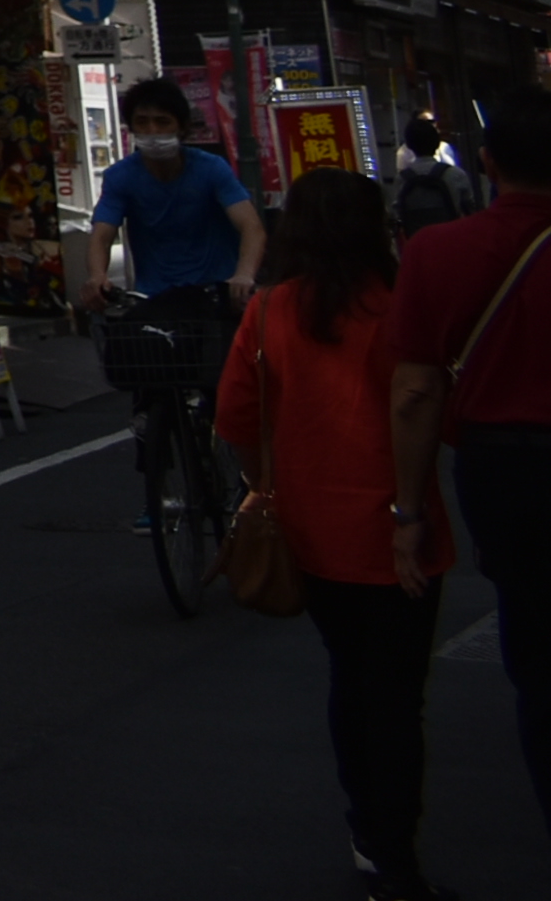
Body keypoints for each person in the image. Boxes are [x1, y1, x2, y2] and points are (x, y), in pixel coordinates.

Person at [221, 168, 453, 901]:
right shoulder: (399, 304)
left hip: (311, 528)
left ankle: (367, 830)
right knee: (397, 695)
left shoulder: (269, 311)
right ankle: (394, 851)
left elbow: (235, 414)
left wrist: (265, 482)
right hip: (400, 525)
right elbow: (430, 402)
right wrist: (407, 510)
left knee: (350, 678)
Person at [390, 83, 551, 845]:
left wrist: (409, 511)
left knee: (538, 655)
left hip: (503, 470)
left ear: (487, 163)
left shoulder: (436, 253)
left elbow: (416, 391)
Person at [78, 74, 266, 352]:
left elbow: (251, 227)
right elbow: (102, 235)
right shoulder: (120, 177)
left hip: (217, 297)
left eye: (162, 122)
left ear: (182, 127)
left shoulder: (211, 169)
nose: (152, 131)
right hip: (157, 299)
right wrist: (97, 275)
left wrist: (244, 275)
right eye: (142, 122)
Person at [399, 116, 478, 241]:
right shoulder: (456, 175)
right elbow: (471, 213)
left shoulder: (402, 180)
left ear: (409, 145)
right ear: (437, 143)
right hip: (452, 243)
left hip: (418, 246)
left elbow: (398, 217)